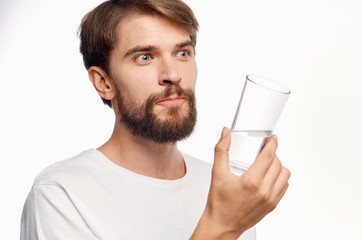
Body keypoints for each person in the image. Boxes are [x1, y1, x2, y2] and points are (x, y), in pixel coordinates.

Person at [20, 0, 291, 239]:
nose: (173, 74)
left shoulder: (227, 189)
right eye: (145, 57)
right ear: (103, 82)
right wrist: (222, 227)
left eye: (182, 53)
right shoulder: (62, 194)